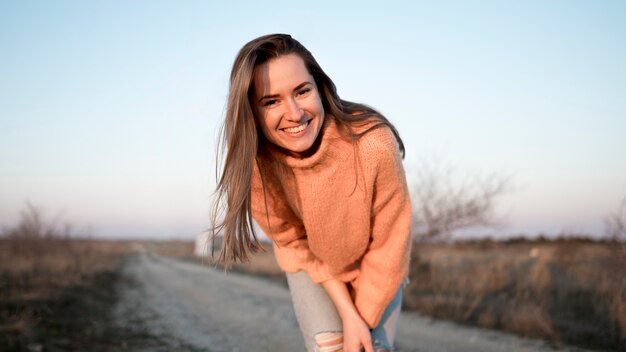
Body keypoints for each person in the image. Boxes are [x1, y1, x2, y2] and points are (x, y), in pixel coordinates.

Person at [210, 33, 412, 352]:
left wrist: (361, 321)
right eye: (271, 101)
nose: (294, 113)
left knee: (370, 348)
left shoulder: (373, 144)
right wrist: (346, 313)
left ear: (320, 88)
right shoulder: (256, 167)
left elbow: (390, 241)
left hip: (378, 263)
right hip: (314, 264)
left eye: (302, 91)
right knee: (329, 347)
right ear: (252, 111)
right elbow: (293, 241)